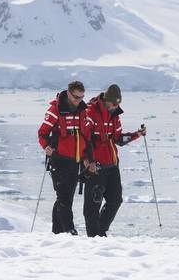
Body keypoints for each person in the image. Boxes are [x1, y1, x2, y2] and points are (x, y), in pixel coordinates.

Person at [82, 84, 146, 237]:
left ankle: (100, 231)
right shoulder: (90, 112)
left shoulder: (115, 115)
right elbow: (84, 140)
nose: (116, 106)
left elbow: (118, 139)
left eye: (118, 104)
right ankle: (93, 237)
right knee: (92, 205)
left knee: (115, 200)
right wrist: (88, 161)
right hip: (95, 166)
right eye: (114, 104)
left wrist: (137, 134)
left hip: (112, 165)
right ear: (106, 100)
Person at [37, 80, 89, 235]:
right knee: (63, 197)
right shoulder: (55, 110)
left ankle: (57, 233)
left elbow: (85, 136)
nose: (78, 100)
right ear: (68, 93)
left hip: (75, 160)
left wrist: (86, 156)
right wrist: (46, 146)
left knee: (66, 197)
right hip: (59, 159)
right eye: (76, 97)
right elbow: (42, 132)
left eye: (81, 97)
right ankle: (69, 230)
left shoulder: (82, 110)